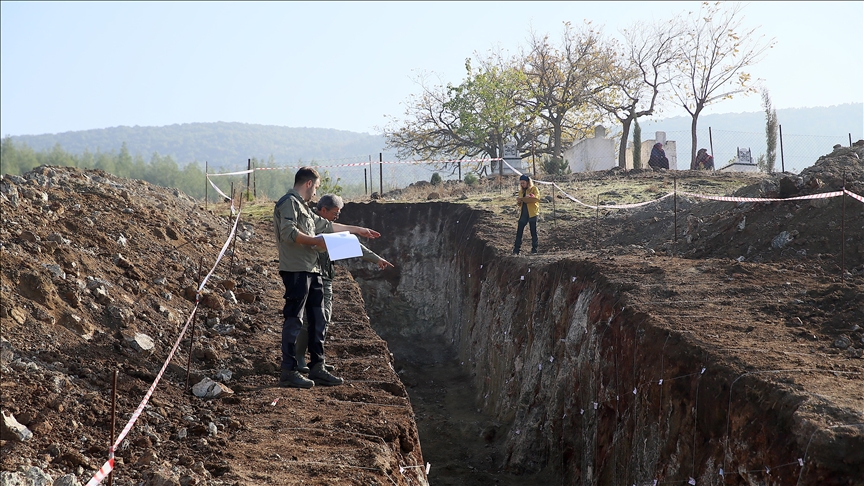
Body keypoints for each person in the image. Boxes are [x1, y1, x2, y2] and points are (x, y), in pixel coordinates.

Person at [273, 167, 381, 388]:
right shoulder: (289, 203)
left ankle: (317, 367)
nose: (315, 194)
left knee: (318, 318)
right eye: (317, 188)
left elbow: (328, 226)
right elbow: (289, 233)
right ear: (309, 184)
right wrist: (316, 242)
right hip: (296, 269)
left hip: (312, 269)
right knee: (295, 319)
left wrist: (357, 230)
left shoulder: (304, 207)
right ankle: (289, 370)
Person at [294, 194, 395, 373]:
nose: (337, 217)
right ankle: (299, 357)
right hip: (309, 276)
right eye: (335, 213)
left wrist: (376, 259)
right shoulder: (308, 223)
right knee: (310, 320)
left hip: (325, 278)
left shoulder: (328, 226)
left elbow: (350, 243)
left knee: (324, 318)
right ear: (323, 210)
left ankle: (317, 361)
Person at [513, 174, 540, 255]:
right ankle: (516, 249)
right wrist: (519, 201)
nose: (522, 184)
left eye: (523, 183)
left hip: (532, 213)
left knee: (533, 231)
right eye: (521, 183)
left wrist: (531, 196)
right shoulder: (521, 191)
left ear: (528, 182)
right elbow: (520, 204)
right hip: (524, 213)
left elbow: (537, 197)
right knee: (519, 231)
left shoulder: (534, 189)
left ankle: (534, 249)